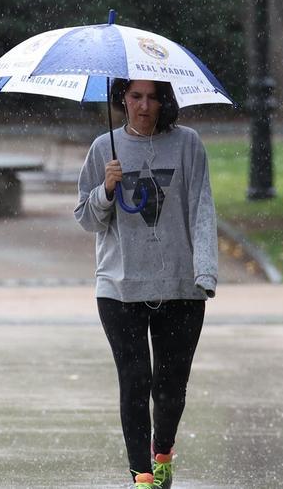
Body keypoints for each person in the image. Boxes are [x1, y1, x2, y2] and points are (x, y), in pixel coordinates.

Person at [75, 78, 218, 489]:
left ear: (164, 101)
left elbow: (203, 208)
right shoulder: (105, 148)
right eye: (135, 96)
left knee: (170, 388)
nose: (143, 106)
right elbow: (87, 218)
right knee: (135, 379)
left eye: (152, 97)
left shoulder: (188, 144)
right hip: (120, 286)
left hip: (181, 286)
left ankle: (163, 453)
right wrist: (106, 189)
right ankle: (140, 475)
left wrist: (204, 271)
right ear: (122, 98)